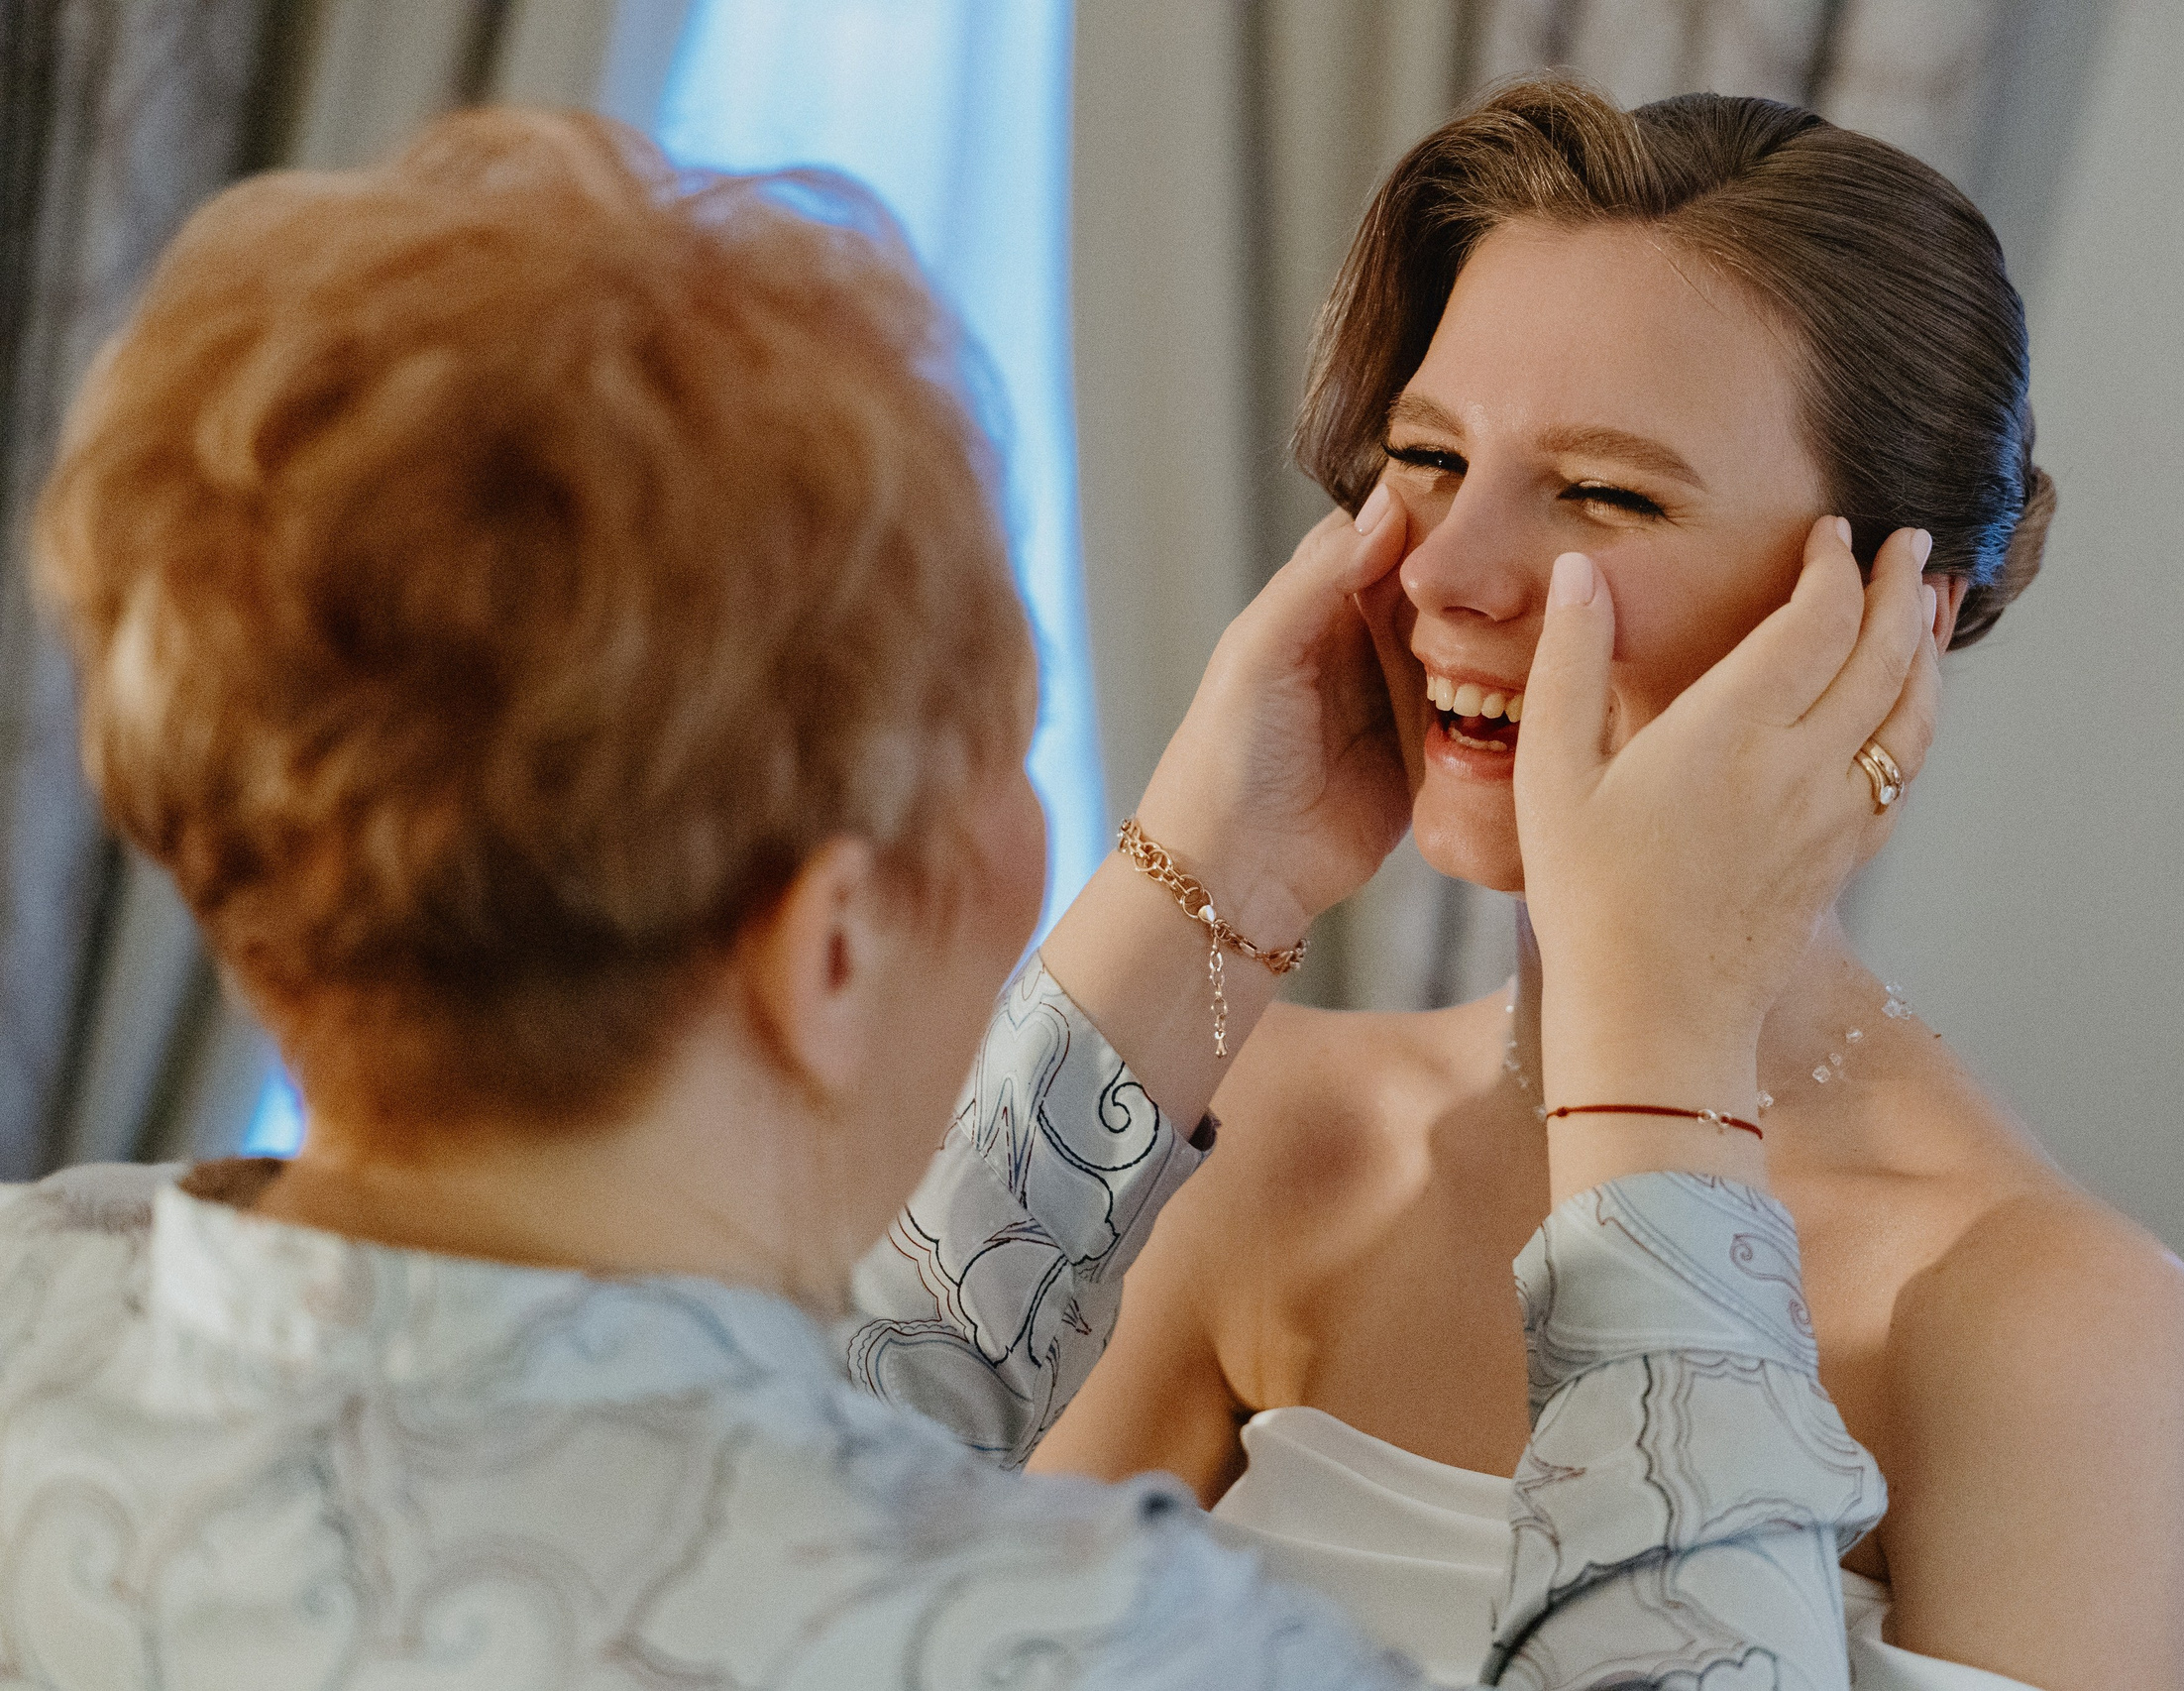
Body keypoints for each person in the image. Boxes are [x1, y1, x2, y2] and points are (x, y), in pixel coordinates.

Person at [0, 106, 1938, 1688]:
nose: (1447, 569)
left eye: (1599, 491)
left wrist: (1218, 884)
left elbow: (729, 1435)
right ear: (825, 942)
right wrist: (1662, 1060)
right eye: (1007, 764)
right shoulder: (1098, 1646)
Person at [1035, 79, 2184, 1691]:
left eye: (1605, 491)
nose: (1444, 572)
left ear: (1894, 617)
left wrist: (1654, 1048)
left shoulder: (2035, 1319)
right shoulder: (1276, 1134)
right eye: (1428, 455)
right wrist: (1186, 880)